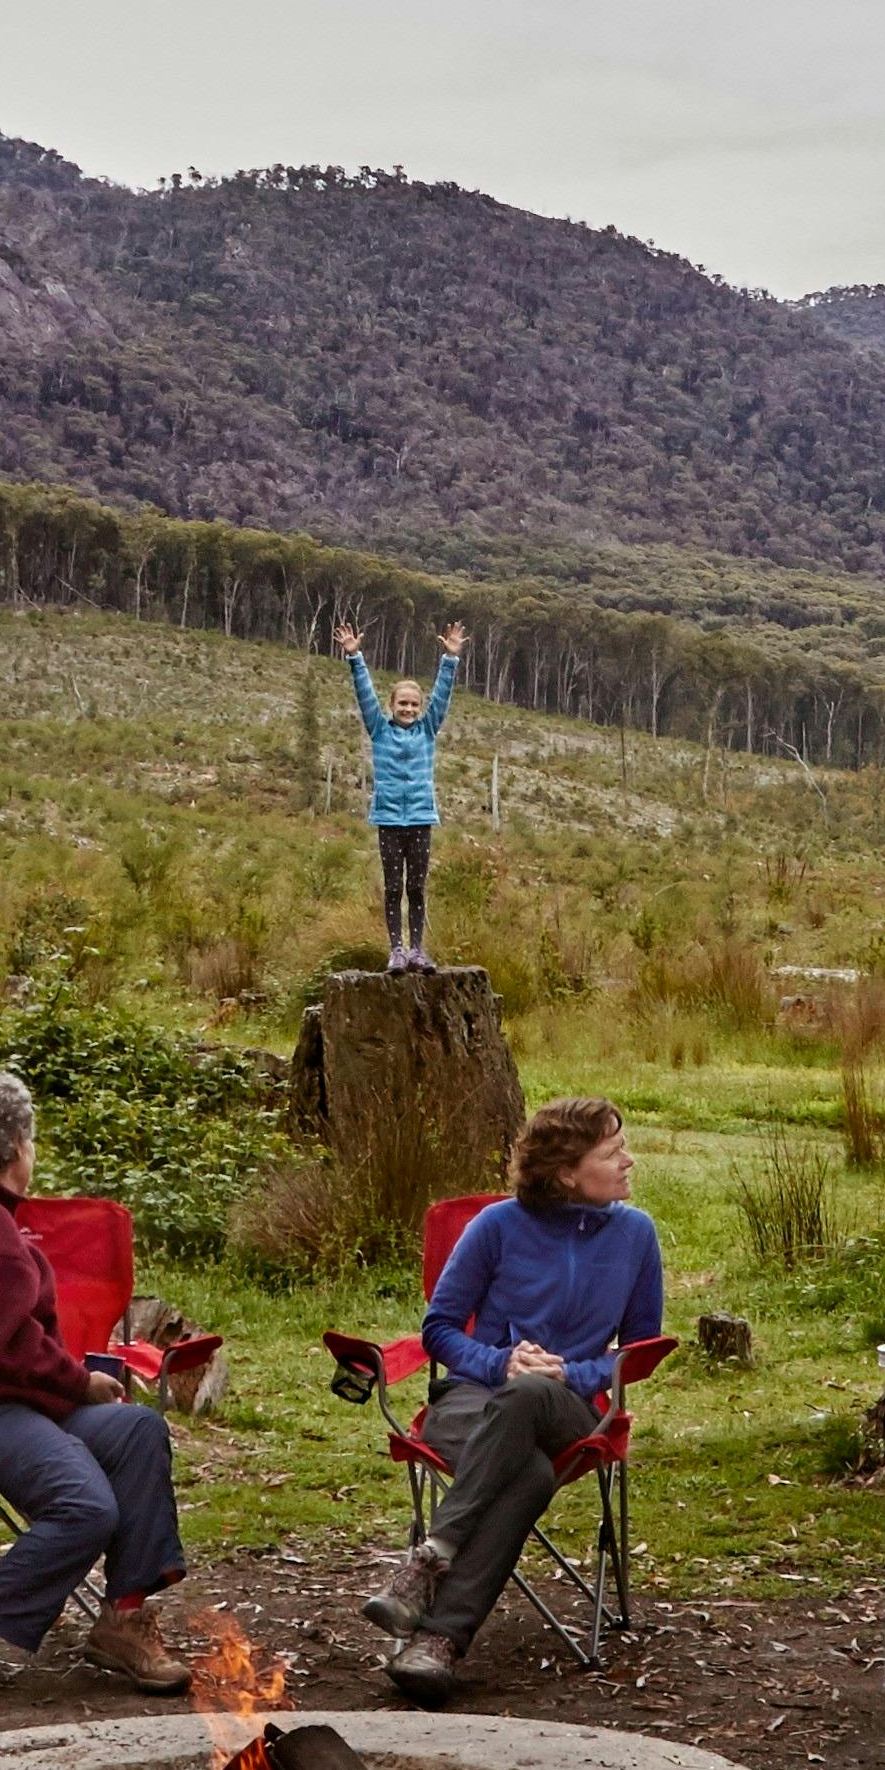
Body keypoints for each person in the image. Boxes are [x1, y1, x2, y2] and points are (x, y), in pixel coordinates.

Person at [0, 1064, 192, 1704]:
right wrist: (78, 1382)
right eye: (31, 1142)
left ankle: (123, 1617)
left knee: (140, 1430)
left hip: (26, 1403)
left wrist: (70, 1388)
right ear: (9, 1151)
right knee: (85, 1506)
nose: (33, 1154)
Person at [368, 1093, 659, 1701]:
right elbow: (439, 1328)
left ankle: (432, 1556)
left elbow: (635, 1351)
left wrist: (566, 1375)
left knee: (530, 1394)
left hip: (570, 1411)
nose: (629, 1161)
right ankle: (438, 1642)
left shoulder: (635, 1235)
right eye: (613, 1152)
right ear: (565, 1173)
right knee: (526, 1473)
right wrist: (500, 1361)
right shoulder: (496, 1227)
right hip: (474, 1402)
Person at [326, 614, 469, 967]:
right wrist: (354, 656)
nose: (408, 708)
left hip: (420, 819)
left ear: (421, 710)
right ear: (391, 706)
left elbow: (443, 696)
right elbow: (364, 694)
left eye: (413, 704)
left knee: (416, 888)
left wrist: (450, 658)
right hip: (389, 821)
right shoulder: (379, 729)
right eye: (402, 703)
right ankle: (396, 950)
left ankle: (418, 950)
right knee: (393, 888)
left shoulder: (427, 730)